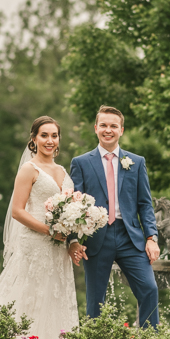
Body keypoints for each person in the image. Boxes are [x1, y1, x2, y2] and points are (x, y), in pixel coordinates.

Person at [0, 116, 79, 339]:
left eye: (54, 135)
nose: (50, 140)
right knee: (31, 292)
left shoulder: (62, 170)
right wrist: (49, 231)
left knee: (56, 292)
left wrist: (71, 237)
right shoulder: (29, 169)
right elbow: (18, 211)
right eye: (44, 135)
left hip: (59, 246)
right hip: (36, 241)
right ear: (34, 139)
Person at [68, 105, 161, 327]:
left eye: (113, 126)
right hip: (96, 237)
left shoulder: (136, 162)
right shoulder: (80, 163)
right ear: (95, 128)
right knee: (95, 300)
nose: (108, 130)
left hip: (130, 237)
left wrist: (152, 237)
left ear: (121, 130)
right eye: (103, 125)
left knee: (149, 289)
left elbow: (145, 204)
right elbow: (74, 206)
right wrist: (73, 240)